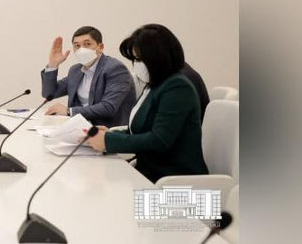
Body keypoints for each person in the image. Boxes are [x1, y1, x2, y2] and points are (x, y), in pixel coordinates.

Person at [85, 23, 209, 183]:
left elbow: (159, 141)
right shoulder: (156, 84)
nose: (136, 64)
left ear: (158, 57)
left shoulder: (177, 87)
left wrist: (107, 141)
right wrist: (107, 135)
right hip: (151, 172)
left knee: (104, 191)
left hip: (176, 182)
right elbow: (143, 130)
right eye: (134, 59)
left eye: (139, 59)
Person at [41, 26, 136, 127]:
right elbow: (49, 93)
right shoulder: (75, 70)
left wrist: (69, 111)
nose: (81, 49)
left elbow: (108, 107)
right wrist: (53, 65)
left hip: (107, 130)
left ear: (100, 47)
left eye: (87, 44)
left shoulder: (115, 68)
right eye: (77, 46)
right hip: (79, 127)